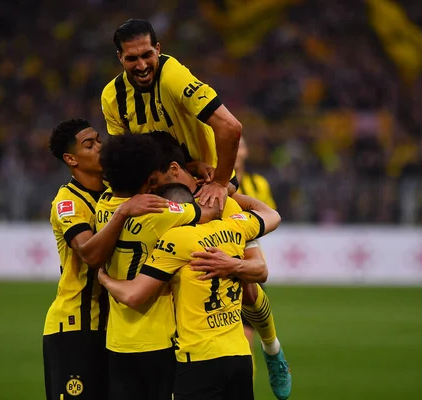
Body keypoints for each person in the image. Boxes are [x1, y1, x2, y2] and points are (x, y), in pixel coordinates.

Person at [98, 183, 281, 400]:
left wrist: (104, 278)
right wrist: (230, 192)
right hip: (239, 356)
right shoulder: (234, 227)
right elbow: (272, 215)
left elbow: (133, 295)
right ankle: (272, 346)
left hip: (198, 359)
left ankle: (272, 346)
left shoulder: (177, 239)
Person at [149, 131, 292, 399]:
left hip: (229, 220)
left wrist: (228, 194)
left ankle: (272, 349)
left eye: (155, 180)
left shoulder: (223, 189)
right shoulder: (161, 193)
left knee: (249, 288)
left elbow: (261, 268)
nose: (152, 186)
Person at [43, 119, 168, 400]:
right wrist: (123, 213)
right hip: (76, 325)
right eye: (89, 145)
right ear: (71, 159)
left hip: (114, 329)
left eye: (99, 140)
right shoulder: (69, 201)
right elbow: (90, 254)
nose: (100, 147)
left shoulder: (114, 189)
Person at [94, 133, 219, 400]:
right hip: (158, 339)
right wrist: (221, 185)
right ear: (149, 178)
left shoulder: (104, 204)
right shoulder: (159, 211)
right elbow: (210, 211)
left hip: (117, 341)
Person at [101, 18, 242, 210]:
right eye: (132, 58)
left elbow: (230, 127)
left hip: (205, 186)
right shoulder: (112, 97)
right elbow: (124, 160)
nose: (142, 66)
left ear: (158, 49)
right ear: (120, 57)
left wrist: (220, 183)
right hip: (159, 193)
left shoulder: (174, 78)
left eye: (147, 55)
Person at [234, 136, 277, 362]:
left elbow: (269, 218)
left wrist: (241, 228)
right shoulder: (208, 182)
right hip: (220, 256)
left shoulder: (258, 184)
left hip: (249, 259)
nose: (236, 149)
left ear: (247, 152)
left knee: (246, 337)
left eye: (240, 144)